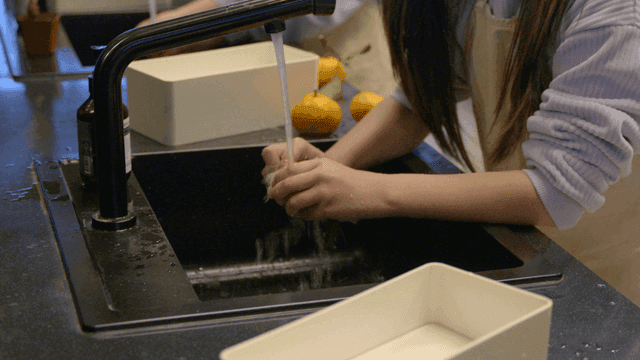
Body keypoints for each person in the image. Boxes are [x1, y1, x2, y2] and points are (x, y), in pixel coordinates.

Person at [262, 0, 640, 230]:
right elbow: (422, 101)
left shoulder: (614, 13)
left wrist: (369, 190)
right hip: (525, 235)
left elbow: (555, 194)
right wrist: (326, 168)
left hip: (603, 272)